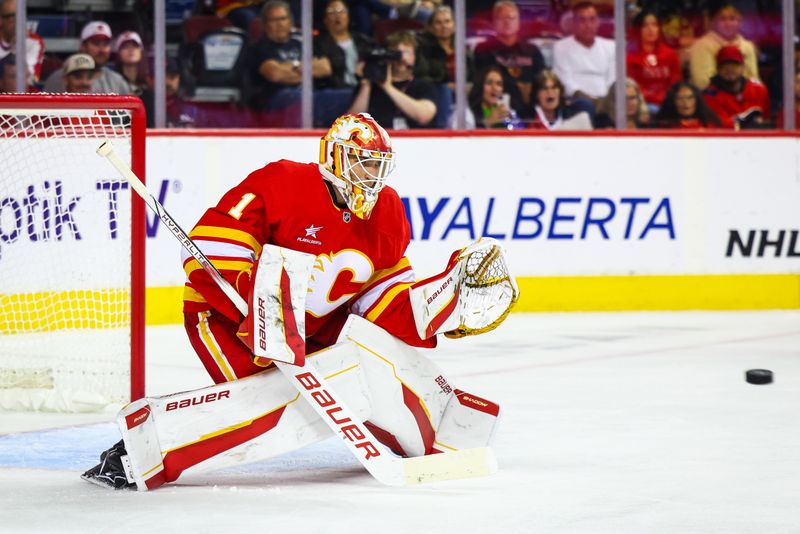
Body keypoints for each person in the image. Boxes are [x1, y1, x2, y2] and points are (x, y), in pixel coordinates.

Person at [81, 112, 505, 489]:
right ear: (335, 156)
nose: (371, 174)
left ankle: (443, 428)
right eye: (362, 161)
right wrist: (262, 311)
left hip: (313, 329)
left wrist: (446, 305)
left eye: (378, 165)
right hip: (227, 319)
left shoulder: (388, 213)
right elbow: (212, 249)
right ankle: (142, 448)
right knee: (273, 401)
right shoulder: (282, 182)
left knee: (369, 366)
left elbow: (382, 305)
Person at [248, 1, 331, 124]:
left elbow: (326, 68)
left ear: (290, 22)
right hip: (276, 98)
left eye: (283, 19)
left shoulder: (301, 42)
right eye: (274, 20)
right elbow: (275, 74)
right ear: (265, 24)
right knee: (299, 99)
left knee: (348, 95)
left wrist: (291, 68)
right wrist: (305, 68)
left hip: (312, 94)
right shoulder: (259, 48)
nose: (280, 24)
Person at [348, 30, 437, 129]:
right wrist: (366, 85)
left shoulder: (423, 86)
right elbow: (351, 125)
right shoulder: (371, 86)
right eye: (396, 52)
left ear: (415, 57)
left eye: (407, 52)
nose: (401, 58)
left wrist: (388, 87)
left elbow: (424, 116)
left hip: (415, 141)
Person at [473, 0, 545, 106]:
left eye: (511, 18)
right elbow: (484, 82)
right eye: (502, 18)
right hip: (496, 104)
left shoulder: (532, 50)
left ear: (518, 22)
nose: (507, 22)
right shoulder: (483, 49)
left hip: (530, 104)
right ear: (494, 21)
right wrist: (518, 87)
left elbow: (542, 79)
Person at [43, 21, 131, 94]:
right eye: (96, 43)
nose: (102, 49)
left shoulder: (117, 81)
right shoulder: (58, 78)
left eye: (105, 44)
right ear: (83, 46)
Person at [552, 1, 615, 102]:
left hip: (606, 101)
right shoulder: (561, 47)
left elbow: (613, 80)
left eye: (592, 19)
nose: (588, 25)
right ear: (574, 23)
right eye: (582, 20)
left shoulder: (611, 46)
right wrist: (591, 100)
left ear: (598, 22)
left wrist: (605, 102)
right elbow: (565, 82)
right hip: (575, 100)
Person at [687, 3, 758, 91]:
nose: (728, 23)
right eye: (722, 19)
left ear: (740, 22)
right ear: (713, 22)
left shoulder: (747, 46)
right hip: (712, 99)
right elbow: (702, 83)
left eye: (732, 19)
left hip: (745, 97)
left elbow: (754, 78)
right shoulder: (701, 46)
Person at [702, 45, 769, 130]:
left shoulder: (759, 89)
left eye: (734, 64)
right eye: (725, 65)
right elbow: (721, 126)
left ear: (743, 67)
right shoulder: (709, 96)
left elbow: (766, 119)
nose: (729, 69)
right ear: (718, 69)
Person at [626, 10, 682, 112]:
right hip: (641, 104)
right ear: (638, 29)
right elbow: (632, 86)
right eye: (645, 26)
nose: (650, 29)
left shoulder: (670, 54)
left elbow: (675, 83)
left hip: (668, 103)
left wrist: (666, 100)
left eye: (654, 25)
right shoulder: (630, 56)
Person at [527, 69, 592, 131]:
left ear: (560, 92)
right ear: (536, 94)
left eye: (554, 87)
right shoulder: (524, 117)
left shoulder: (571, 117)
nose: (550, 92)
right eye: (544, 88)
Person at [462, 64, 524, 129]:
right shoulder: (467, 113)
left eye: (499, 84)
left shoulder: (507, 112)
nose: (495, 88)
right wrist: (488, 123)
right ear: (480, 85)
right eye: (489, 83)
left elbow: (522, 135)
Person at [0, 0, 44, 88]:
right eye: (12, 16)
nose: (17, 21)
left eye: (21, 16)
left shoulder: (34, 42)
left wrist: (16, 48)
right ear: (1, 20)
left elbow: (30, 79)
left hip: (19, 94)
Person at [415, 4, 455, 87]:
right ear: (431, 28)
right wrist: (446, 86)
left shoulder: (463, 48)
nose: (444, 26)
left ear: (454, 25)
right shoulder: (423, 49)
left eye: (447, 21)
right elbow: (422, 77)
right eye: (438, 23)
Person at [654, 80, 721, 129]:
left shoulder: (710, 124)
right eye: (679, 98)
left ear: (697, 100)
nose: (685, 103)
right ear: (672, 102)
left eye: (690, 98)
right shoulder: (662, 126)